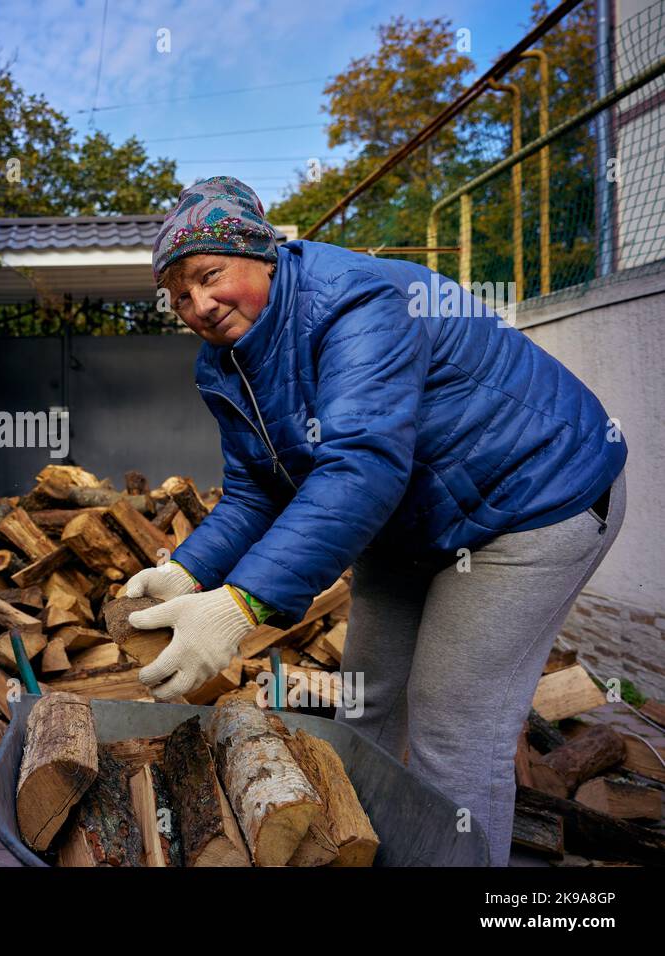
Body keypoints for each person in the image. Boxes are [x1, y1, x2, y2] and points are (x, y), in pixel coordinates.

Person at [123, 175, 626, 866]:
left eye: (210, 275)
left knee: (454, 724)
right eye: (179, 294)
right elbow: (252, 492)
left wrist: (239, 605)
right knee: (368, 703)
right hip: (409, 521)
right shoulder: (226, 365)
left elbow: (361, 465)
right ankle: (360, 852)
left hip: (535, 498)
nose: (200, 304)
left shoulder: (354, 301)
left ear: (262, 255)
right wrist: (187, 571)